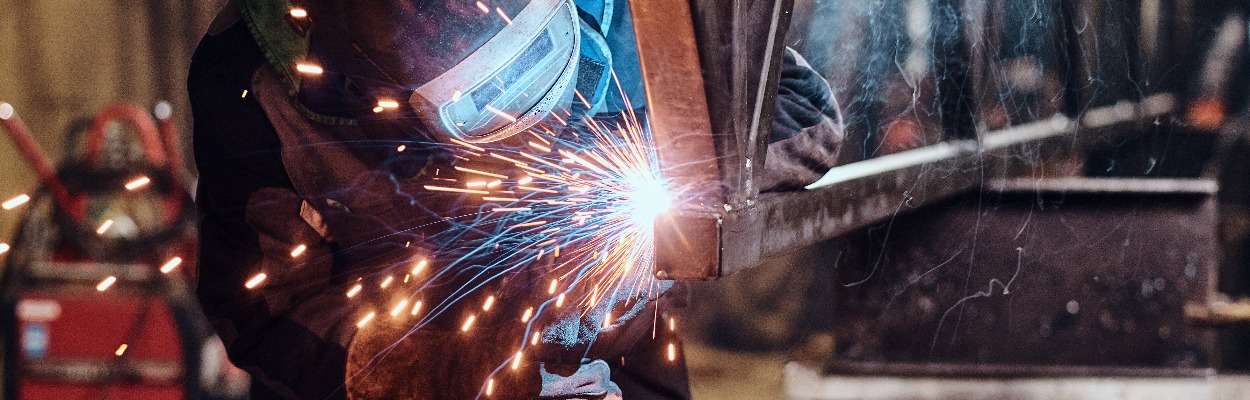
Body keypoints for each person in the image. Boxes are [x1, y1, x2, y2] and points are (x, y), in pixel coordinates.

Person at [189, 0, 846, 398]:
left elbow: (801, 111)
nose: (537, 130)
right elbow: (264, 309)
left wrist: (647, 160)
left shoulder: (648, 10)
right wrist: (432, 373)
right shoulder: (252, 77)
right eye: (483, 109)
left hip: (624, 351)